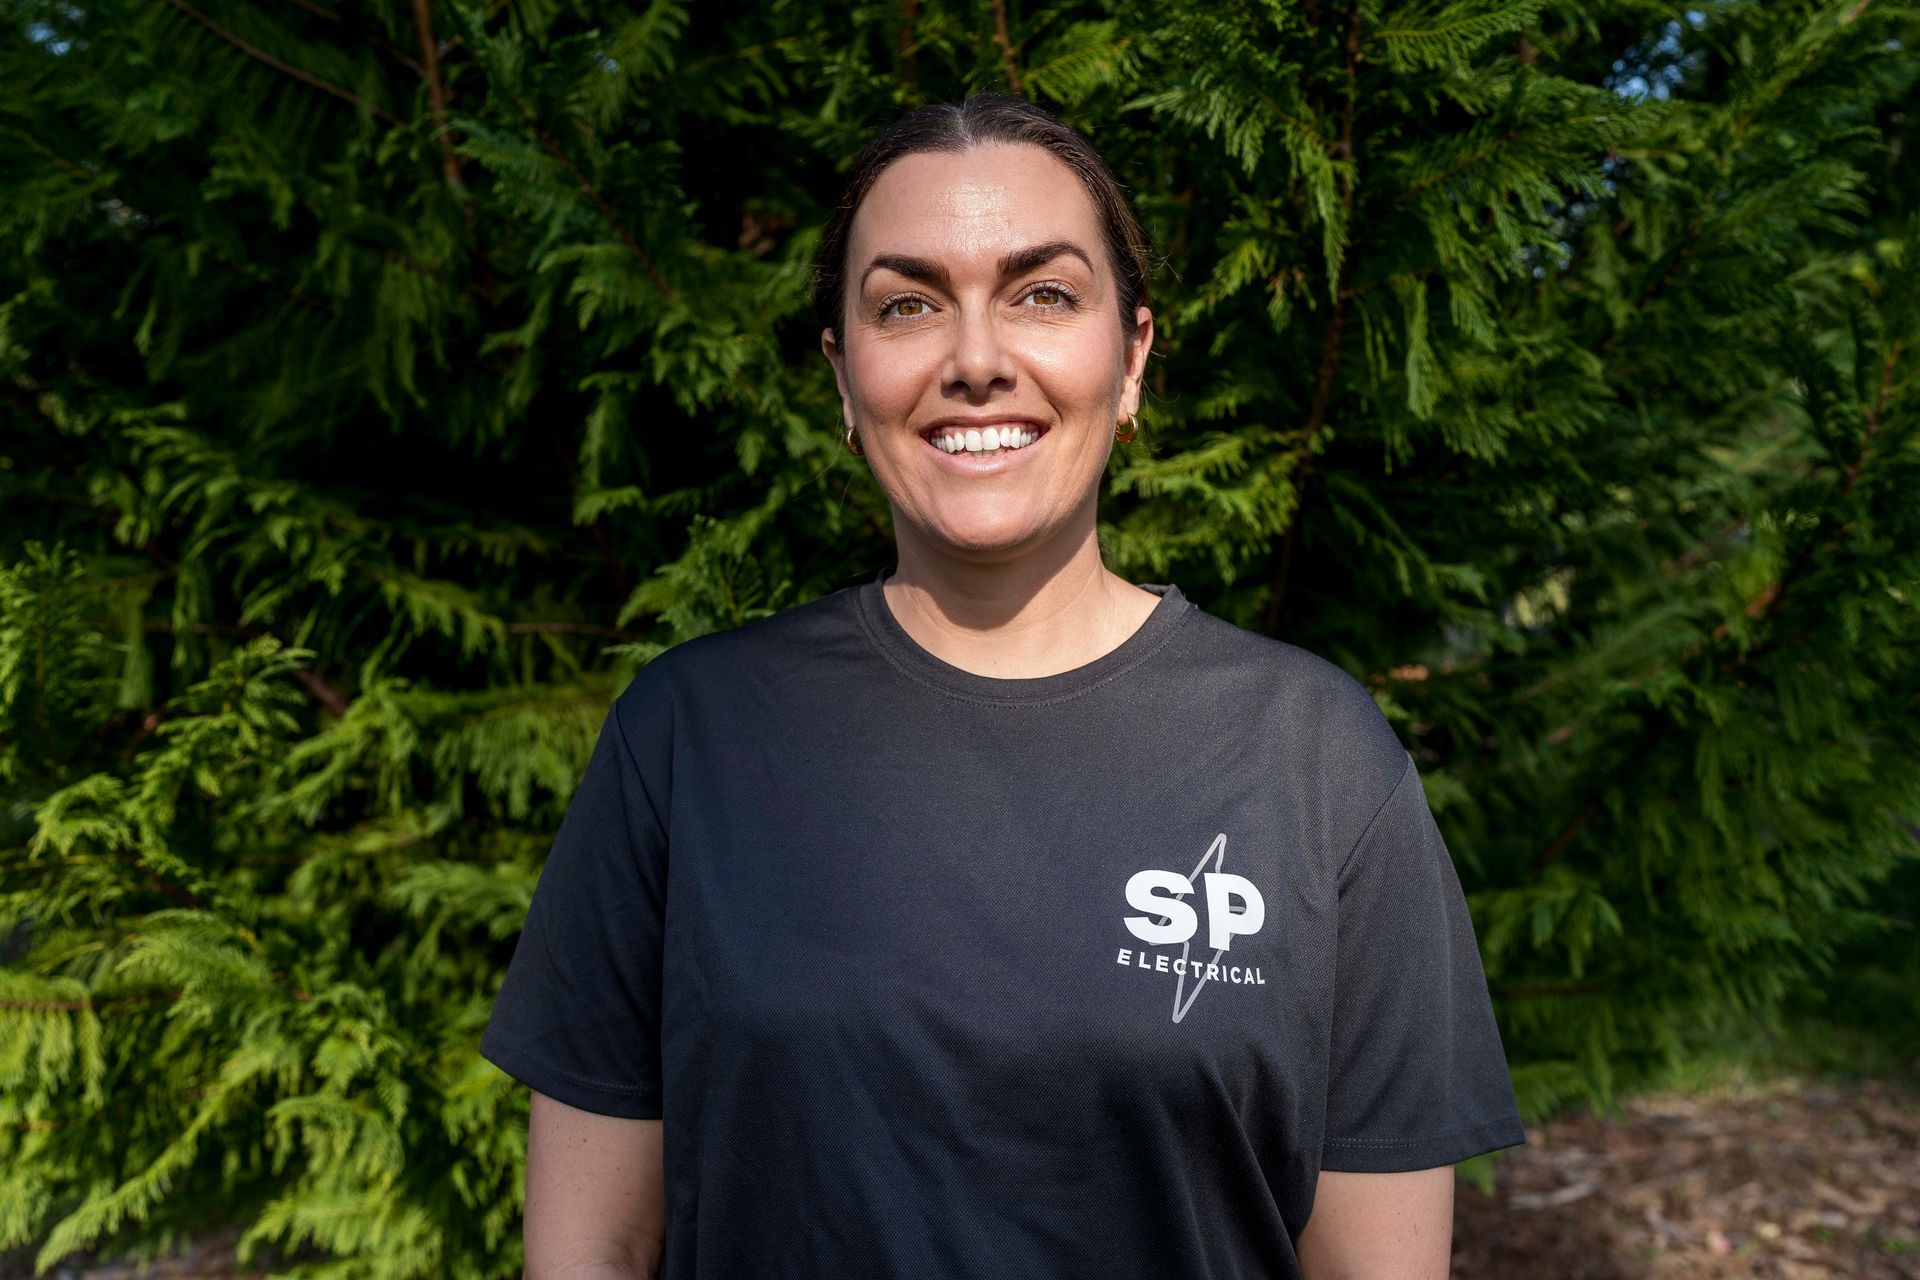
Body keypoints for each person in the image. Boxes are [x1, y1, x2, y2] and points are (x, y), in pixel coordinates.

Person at [479, 90, 1526, 1280]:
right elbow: (592, 1249)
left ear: (1130, 356)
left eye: (1042, 294)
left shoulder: (1317, 758)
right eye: (908, 303)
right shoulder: (687, 736)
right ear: (842, 371)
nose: (976, 360)